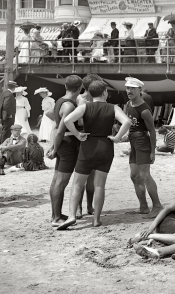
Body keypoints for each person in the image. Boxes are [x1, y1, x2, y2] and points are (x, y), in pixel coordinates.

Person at [56, 80, 132, 230]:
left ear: (90, 93)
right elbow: (127, 122)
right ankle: (96, 219)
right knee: (99, 185)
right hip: (105, 146)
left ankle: (72, 216)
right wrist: (117, 138)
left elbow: (67, 120)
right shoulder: (113, 107)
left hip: (88, 146)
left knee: (77, 184)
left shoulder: (85, 106)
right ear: (105, 92)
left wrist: (77, 134)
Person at [46, 75, 93, 227]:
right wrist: (55, 148)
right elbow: (60, 131)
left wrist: (54, 146)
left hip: (62, 144)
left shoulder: (60, 101)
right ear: (80, 88)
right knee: (61, 182)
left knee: (56, 181)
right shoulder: (70, 106)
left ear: (65, 86)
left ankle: (56, 214)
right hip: (68, 145)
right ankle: (56, 217)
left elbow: (55, 124)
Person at [124, 77, 162, 216]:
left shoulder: (144, 109)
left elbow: (152, 131)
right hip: (133, 142)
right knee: (134, 175)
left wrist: (153, 151)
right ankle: (143, 206)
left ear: (140, 90)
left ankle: (157, 206)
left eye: (132, 88)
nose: (129, 91)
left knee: (145, 175)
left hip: (142, 141)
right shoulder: (128, 104)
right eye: (127, 88)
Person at [0, 81, 17, 146]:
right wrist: (10, 113)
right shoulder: (9, 94)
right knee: (7, 132)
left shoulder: (3, 93)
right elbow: (6, 105)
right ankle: (3, 146)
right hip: (8, 116)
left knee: (4, 131)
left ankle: (0, 146)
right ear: (14, 87)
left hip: (3, 115)